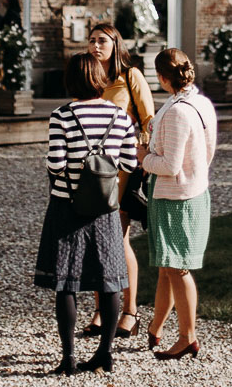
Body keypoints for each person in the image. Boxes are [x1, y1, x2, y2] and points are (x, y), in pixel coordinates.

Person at [35, 54, 138, 375]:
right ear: (99, 78)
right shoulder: (120, 116)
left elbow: (55, 163)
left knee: (65, 282)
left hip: (67, 206)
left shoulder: (61, 115)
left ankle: (68, 358)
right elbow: (130, 163)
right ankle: (105, 353)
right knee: (109, 281)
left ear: (71, 80)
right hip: (105, 208)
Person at [78, 24, 154, 340]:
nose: (96, 45)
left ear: (115, 44)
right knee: (96, 241)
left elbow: (149, 118)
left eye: (102, 40)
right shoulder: (87, 78)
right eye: (92, 40)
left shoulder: (130, 76)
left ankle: (130, 312)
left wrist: (141, 151)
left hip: (122, 169)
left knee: (117, 239)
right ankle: (99, 310)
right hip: (92, 168)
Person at [139, 48, 215, 361]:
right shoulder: (201, 102)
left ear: (162, 77)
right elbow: (207, 149)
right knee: (166, 267)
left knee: (178, 267)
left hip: (175, 196)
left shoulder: (177, 111)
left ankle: (187, 336)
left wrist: (144, 158)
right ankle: (155, 328)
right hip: (192, 189)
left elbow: (169, 165)